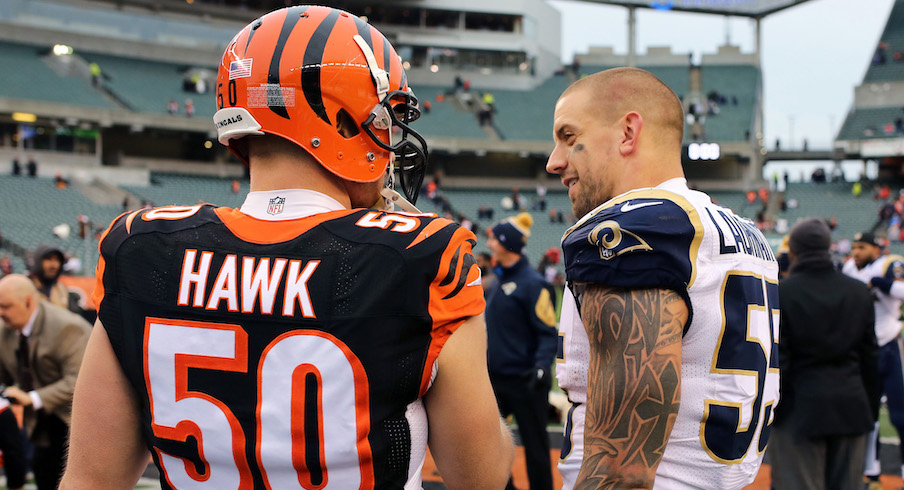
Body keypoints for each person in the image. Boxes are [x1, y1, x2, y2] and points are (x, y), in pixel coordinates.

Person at [60, 7, 513, 489]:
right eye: (384, 118)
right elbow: (480, 477)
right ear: (342, 121)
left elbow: (90, 479)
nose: (389, 139)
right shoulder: (421, 255)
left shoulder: (139, 247)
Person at [548, 67, 779, 488]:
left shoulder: (637, 231)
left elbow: (623, 469)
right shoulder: (744, 233)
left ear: (627, 133)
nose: (554, 161)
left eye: (568, 137)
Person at [770, 219, 878, 490]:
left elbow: (780, 361)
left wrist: (778, 413)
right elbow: (870, 359)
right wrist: (868, 409)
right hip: (851, 408)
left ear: (793, 251)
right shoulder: (858, 291)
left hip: (799, 411)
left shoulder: (783, 292)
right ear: (829, 248)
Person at [485, 212, 558, 490]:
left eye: (494, 239)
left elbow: (547, 332)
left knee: (536, 447)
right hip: (495, 380)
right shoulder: (497, 282)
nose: (489, 244)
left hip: (526, 381)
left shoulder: (533, 284)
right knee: (493, 447)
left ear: (508, 244)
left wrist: (541, 367)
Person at [0, 274, 91, 490]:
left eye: (6, 306)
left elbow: (79, 380)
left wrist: (32, 398)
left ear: (28, 302)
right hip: (40, 423)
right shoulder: (5, 330)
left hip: (73, 419)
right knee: (43, 472)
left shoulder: (67, 327)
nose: (1, 313)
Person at [841, 232, 904, 487]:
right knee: (869, 419)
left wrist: (882, 283)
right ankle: (872, 474)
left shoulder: (888, 265)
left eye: (862, 247)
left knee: (900, 417)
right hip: (863, 351)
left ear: (877, 250)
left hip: (888, 348)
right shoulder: (848, 268)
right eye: (854, 246)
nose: (856, 251)